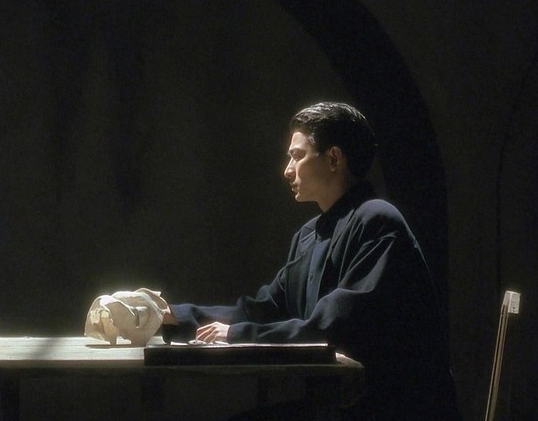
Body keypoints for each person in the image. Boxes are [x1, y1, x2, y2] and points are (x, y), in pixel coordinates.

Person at [161, 103, 460, 421]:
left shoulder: (378, 221)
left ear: (334, 159)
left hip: (391, 409)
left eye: (298, 156)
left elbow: (331, 329)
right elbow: (263, 309)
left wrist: (234, 334)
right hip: (337, 407)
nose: (287, 170)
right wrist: (171, 315)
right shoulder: (309, 235)